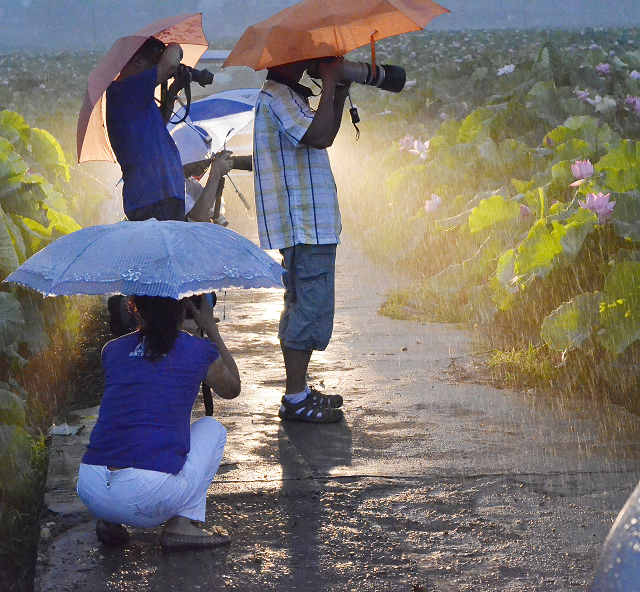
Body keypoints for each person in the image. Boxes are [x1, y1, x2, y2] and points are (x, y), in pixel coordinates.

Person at [76, 295, 241, 550]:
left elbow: (145, 372)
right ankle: (182, 525)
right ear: (182, 309)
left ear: (134, 309)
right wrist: (210, 330)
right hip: (147, 494)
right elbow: (232, 388)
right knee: (212, 429)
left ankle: (109, 519)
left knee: (129, 429)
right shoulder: (197, 350)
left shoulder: (112, 350)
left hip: (91, 487)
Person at [253, 57, 350, 423]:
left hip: (312, 223)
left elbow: (326, 132)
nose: (315, 60)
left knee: (303, 304)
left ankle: (300, 390)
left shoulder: (289, 96)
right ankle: (295, 398)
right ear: (290, 59)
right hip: (304, 225)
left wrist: (337, 92)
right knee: (308, 307)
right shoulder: (276, 97)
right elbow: (319, 136)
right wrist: (329, 83)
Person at [106, 36, 186, 221]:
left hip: (164, 194)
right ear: (137, 61)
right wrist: (175, 45)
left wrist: (173, 91)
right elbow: (170, 64)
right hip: (151, 197)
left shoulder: (135, 94)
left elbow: (158, 124)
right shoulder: (123, 89)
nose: (154, 71)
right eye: (153, 64)